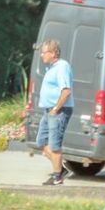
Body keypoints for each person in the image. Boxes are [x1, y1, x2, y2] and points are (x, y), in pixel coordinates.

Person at [35, 39, 72, 185]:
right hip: (48, 110)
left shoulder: (62, 66)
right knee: (41, 142)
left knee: (55, 145)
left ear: (53, 53)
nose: (41, 55)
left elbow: (66, 91)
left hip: (58, 110)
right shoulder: (51, 67)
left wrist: (56, 109)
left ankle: (57, 177)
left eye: (44, 52)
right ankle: (61, 170)